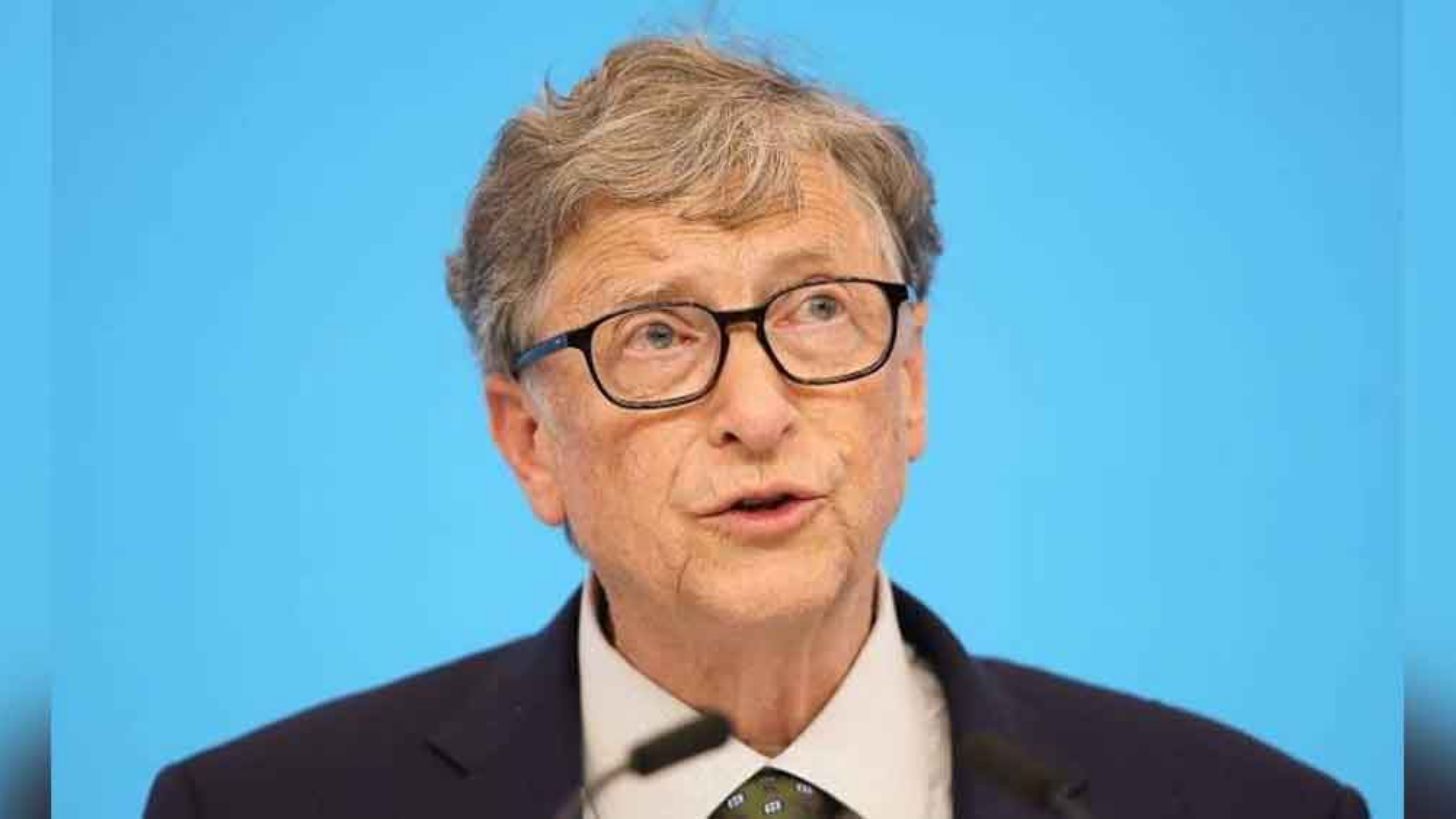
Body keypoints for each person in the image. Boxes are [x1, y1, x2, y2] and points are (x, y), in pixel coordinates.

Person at [144, 35, 1368, 819]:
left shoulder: (1251, 808)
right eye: (656, 335)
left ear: (911, 384)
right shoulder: (259, 807)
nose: (757, 411)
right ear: (527, 441)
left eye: (820, 309)